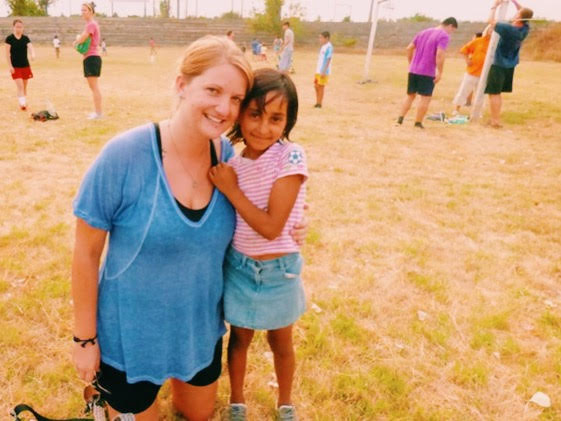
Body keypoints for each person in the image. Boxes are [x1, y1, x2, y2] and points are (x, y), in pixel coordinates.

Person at [71, 36, 305, 421]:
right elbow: (85, 252)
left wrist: (295, 222)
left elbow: (266, 210)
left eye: (235, 98)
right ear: (182, 84)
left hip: (199, 332)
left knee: (198, 416)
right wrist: (84, 339)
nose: (224, 108)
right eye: (213, 90)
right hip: (131, 340)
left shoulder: (227, 160)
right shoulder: (124, 155)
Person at [209, 68, 307, 421]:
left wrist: (231, 190)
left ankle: (285, 403)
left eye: (276, 119)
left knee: (281, 342)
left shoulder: (290, 157)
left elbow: (271, 227)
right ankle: (237, 402)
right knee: (239, 340)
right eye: (255, 114)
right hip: (240, 267)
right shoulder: (233, 164)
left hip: (280, 271)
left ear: (287, 121)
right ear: (240, 113)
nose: (263, 128)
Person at [396, 17, 458, 129]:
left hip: (414, 69)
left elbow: (409, 48)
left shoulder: (423, 32)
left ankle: (400, 119)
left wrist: (411, 62)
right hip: (427, 71)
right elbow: (440, 54)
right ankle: (418, 123)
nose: (451, 33)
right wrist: (440, 71)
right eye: (452, 30)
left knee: (410, 95)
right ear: (450, 26)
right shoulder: (444, 36)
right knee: (425, 98)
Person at [485, 0, 533, 128]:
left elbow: (490, 21)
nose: (515, 13)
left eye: (517, 13)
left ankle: (495, 121)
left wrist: (494, 6)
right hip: (510, 64)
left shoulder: (508, 29)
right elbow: (524, 12)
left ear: (519, 17)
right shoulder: (525, 28)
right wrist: (514, 1)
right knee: (497, 93)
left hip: (499, 64)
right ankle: (495, 119)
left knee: (494, 93)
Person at [73, 2, 102, 120]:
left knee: (94, 87)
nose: (82, 12)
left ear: (91, 12)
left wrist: (76, 41)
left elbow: (82, 38)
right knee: (93, 87)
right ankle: (97, 112)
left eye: (85, 10)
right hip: (90, 58)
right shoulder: (90, 25)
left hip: (92, 58)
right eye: (81, 10)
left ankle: (98, 113)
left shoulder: (91, 25)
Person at [452, 29, 491, 114]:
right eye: (490, 30)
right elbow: (464, 50)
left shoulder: (495, 44)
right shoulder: (478, 41)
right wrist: (467, 60)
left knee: (481, 95)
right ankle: (456, 110)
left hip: (485, 74)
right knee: (463, 91)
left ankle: (477, 113)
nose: (491, 32)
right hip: (472, 72)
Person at [4, 19, 35, 111]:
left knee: (24, 87)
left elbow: (30, 47)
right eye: (17, 27)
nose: (19, 29)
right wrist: (10, 66)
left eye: (20, 27)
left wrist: (33, 54)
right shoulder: (9, 39)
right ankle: (22, 104)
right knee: (20, 86)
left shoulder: (25, 38)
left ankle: (23, 101)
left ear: (23, 28)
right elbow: (7, 54)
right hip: (15, 67)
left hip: (25, 65)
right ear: (13, 27)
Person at [313, 31, 333, 109]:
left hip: (323, 71)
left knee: (321, 87)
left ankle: (319, 103)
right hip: (318, 70)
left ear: (326, 38)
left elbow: (328, 59)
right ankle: (317, 102)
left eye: (321, 38)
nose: (320, 39)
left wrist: (324, 71)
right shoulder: (323, 46)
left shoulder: (329, 47)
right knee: (316, 86)